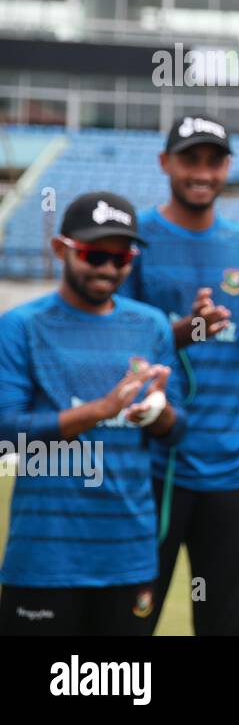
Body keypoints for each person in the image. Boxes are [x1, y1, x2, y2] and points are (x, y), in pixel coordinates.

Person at [121, 115, 239, 635]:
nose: (202, 172)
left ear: (227, 168)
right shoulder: (133, 239)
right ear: (164, 162)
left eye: (213, 161)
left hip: (233, 471)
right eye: (189, 159)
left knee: (228, 627)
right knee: (124, 630)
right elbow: (114, 351)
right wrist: (179, 333)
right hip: (150, 470)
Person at [0, 192, 186, 635]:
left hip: (130, 553)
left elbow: (178, 430)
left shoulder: (152, 325)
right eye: (94, 254)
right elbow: (7, 432)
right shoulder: (20, 326)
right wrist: (100, 410)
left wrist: (156, 415)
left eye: (121, 258)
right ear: (60, 249)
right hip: (45, 557)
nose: (107, 268)